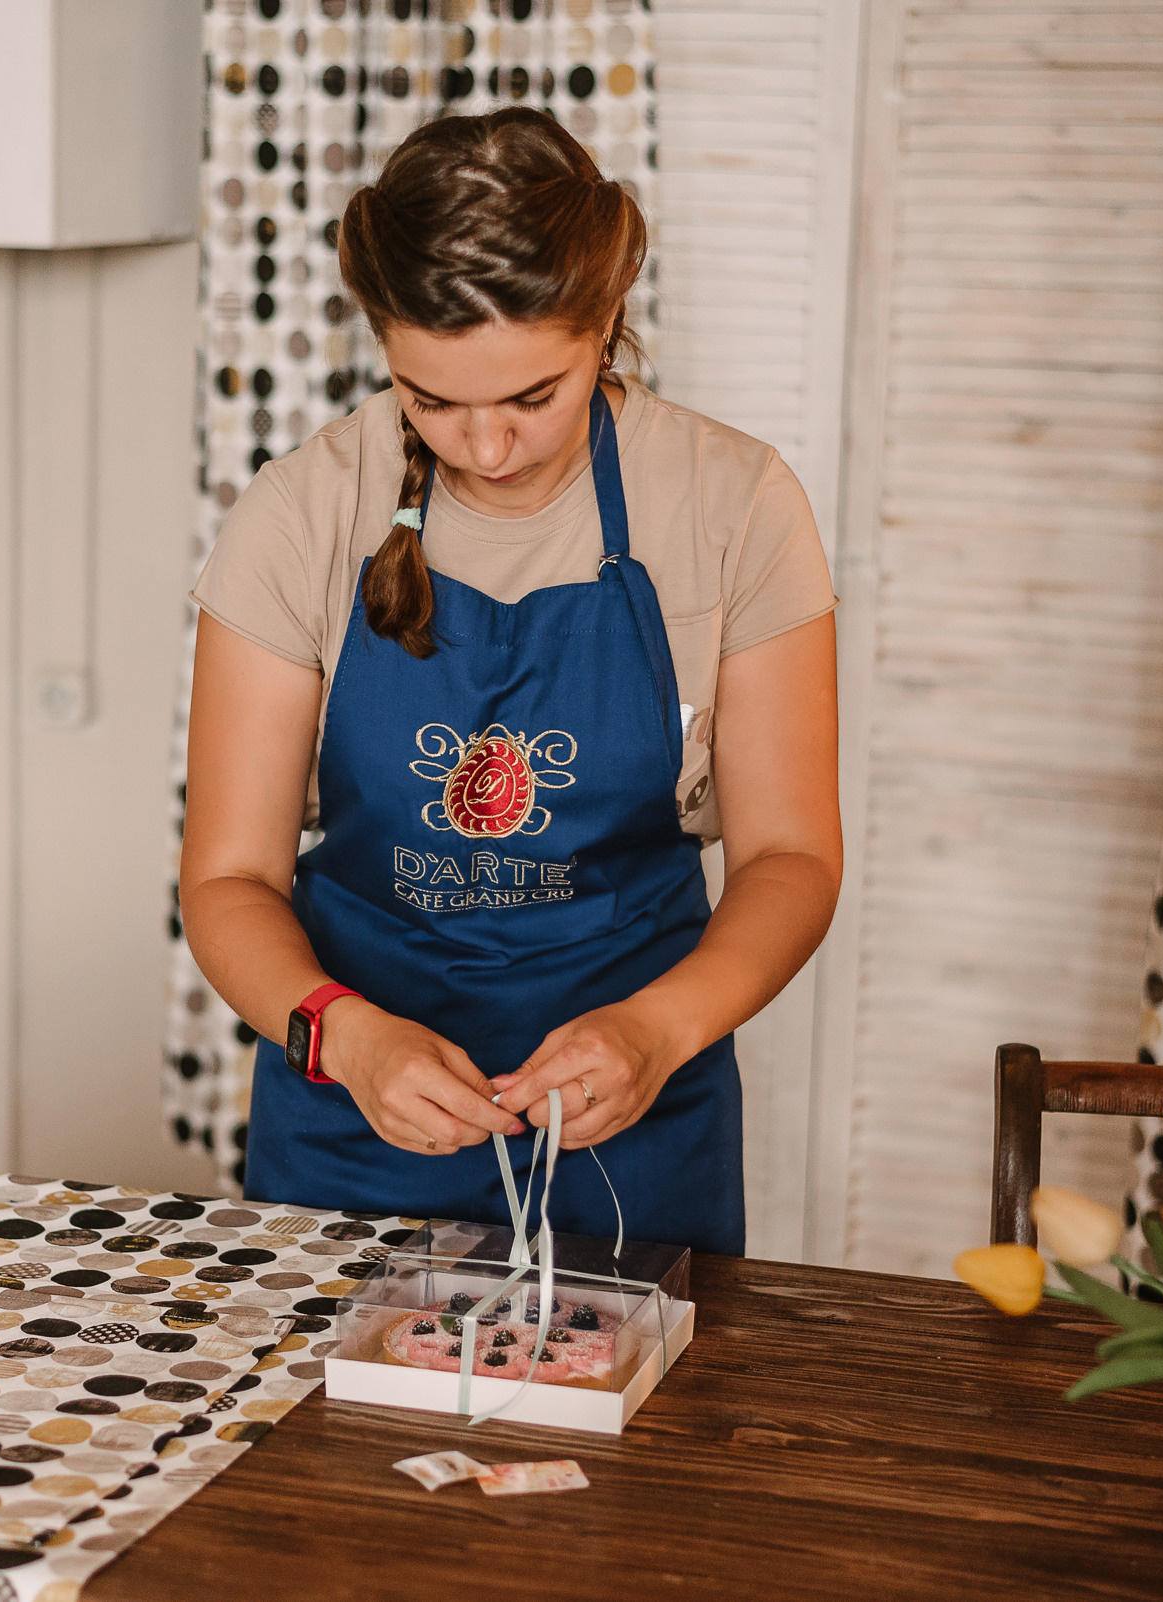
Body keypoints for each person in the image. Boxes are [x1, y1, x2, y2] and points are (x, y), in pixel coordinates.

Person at [178, 108, 841, 1257]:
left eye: (534, 395)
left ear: (608, 319)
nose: (484, 447)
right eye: (431, 401)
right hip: (352, 1126)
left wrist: (655, 1029)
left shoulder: (735, 504)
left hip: (636, 1128)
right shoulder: (302, 514)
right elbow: (230, 877)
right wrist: (349, 1037)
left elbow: (792, 859)